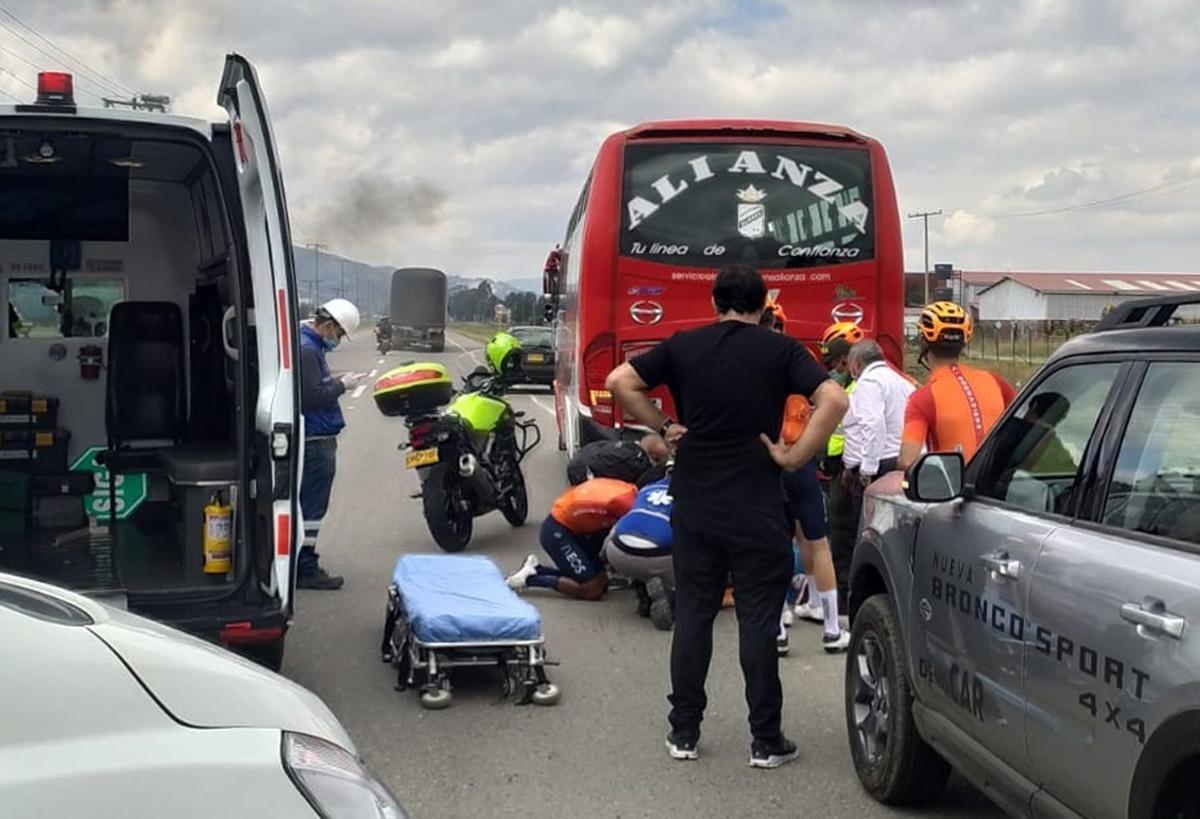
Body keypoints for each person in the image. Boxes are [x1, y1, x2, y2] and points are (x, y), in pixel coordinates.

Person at [606, 263, 847, 769]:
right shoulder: (782, 350)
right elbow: (834, 398)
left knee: (694, 614)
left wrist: (666, 424)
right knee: (758, 620)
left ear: (714, 303)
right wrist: (795, 456)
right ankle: (765, 740)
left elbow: (619, 381)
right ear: (763, 307)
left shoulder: (682, 345)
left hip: (695, 501)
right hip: (757, 503)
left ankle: (684, 732)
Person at [762, 303, 849, 655]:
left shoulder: (747, 364)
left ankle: (780, 628)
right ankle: (830, 629)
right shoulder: (798, 361)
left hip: (768, 464)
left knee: (777, 546)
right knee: (819, 543)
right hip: (800, 461)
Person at [898, 301, 1016, 472]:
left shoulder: (922, 399)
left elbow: (907, 461)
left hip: (953, 489)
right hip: (998, 488)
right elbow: (1033, 426)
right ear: (964, 343)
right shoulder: (995, 382)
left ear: (923, 342)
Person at [837, 338, 916, 591]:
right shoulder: (902, 382)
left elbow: (871, 426)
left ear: (857, 364)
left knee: (865, 533)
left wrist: (866, 470)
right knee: (893, 533)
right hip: (903, 461)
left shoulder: (868, 383)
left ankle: (859, 591)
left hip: (879, 464)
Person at [298, 298, 363, 590]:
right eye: (339, 334)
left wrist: (335, 381)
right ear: (328, 325)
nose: (338, 340)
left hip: (313, 437)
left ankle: (301, 562)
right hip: (316, 440)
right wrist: (342, 385)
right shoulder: (309, 350)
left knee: (308, 505)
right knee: (312, 507)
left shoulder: (308, 345)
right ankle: (305, 567)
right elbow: (311, 396)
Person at [506, 477, 637, 600]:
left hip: (574, 527)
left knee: (602, 581)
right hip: (557, 531)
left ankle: (537, 569)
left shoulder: (632, 492)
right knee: (592, 589)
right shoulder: (626, 505)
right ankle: (529, 579)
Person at [602, 476, 676, 630]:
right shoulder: (695, 493)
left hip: (617, 551)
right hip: (659, 558)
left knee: (627, 523)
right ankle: (671, 595)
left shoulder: (646, 488)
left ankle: (640, 586)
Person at [566, 434, 670, 486]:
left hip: (578, 463)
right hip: (584, 477)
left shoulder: (626, 445)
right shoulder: (639, 462)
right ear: (653, 458)